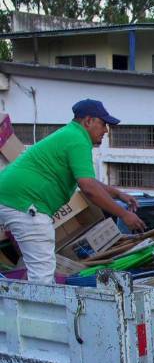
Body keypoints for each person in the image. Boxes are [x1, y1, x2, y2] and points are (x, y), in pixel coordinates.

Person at [0, 99, 146, 283]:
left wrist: (117, 194)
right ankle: (42, 312)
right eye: (103, 124)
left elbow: (89, 182)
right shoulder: (78, 140)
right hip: (25, 203)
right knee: (42, 274)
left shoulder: (70, 135)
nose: (106, 131)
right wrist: (124, 215)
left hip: (10, 196)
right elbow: (88, 188)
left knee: (38, 268)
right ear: (88, 121)